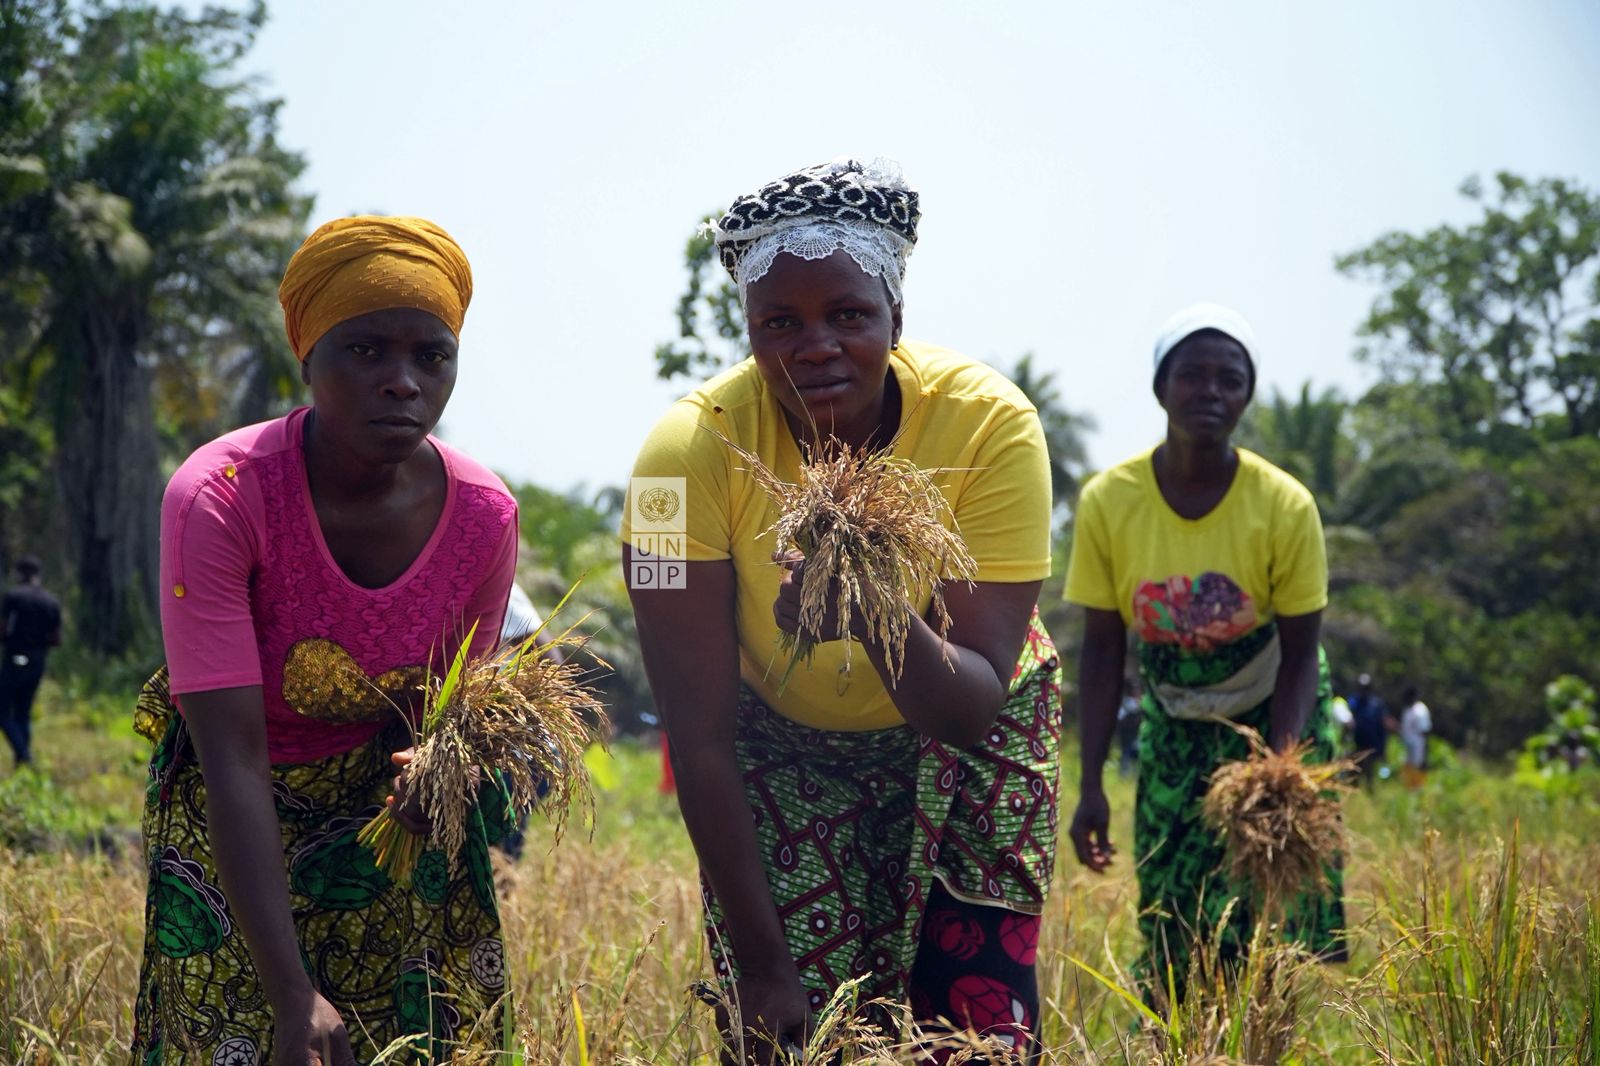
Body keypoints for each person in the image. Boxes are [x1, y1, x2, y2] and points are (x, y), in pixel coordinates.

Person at [626, 159, 1061, 1060]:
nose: (815, 345)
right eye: (779, 322)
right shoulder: (677, 460)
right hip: (782, 742)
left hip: (972, 732)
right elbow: (699, 734)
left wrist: (866, 611)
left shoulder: (992, 428)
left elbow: (971, 705)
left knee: (968, 1033)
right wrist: (759, 961)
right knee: (803, 1033)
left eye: (849, 315)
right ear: (747, 333)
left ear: (897, 320)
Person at [130, 216, 520, 1065]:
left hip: (385, 820)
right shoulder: (222, 498)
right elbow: (231, 754)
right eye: (367, 351)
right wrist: (290, 990)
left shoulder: (483, 517)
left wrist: (437, 774)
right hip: (233, 811)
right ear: (307, 358)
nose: (403, 382)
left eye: (431, 356)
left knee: (412, 1043)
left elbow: (456, 716)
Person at [1065, 303, 1346, 998]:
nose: (1211, 392)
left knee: (1264, 908)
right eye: (1192, 375)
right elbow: (1103, 653)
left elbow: (1302, 652)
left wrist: (1279, 770)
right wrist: (1093, 782)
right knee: (1170, 897)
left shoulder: (1283, 504)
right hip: (1173, 717)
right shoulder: (1110, 501)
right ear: (1161, 388)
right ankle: (1171, 1028)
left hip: (1273, 710)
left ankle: (1255, 1032)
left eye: (1231, 378)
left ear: (1248, 395)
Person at [0, 555, 62, 767]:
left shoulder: (13, 597)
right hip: (37, 660)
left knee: (3, 711)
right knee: (23, 711)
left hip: (16, 657)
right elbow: (56, 639)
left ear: (20, 574)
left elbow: (3, 628)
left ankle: (24, 754)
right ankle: (22, 761)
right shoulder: (50, 601)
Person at [1347, 673, 1389, 784]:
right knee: (1354, 774)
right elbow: (1350, 722)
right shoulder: (1354, 703)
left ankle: (1370, 794)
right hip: (1358, 745)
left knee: (1369, 775)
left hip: (1372, 746)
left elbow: (1382, 727)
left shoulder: (1376, 705)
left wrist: (1383, 748)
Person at [1397, 685, 1432, 789]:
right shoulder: (1408, 709)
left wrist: (1425, 754)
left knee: (1418, 780)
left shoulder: (1420, 710)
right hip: (1408, 751)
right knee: (1407, 778)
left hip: (1418, 750)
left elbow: (1425, 732)